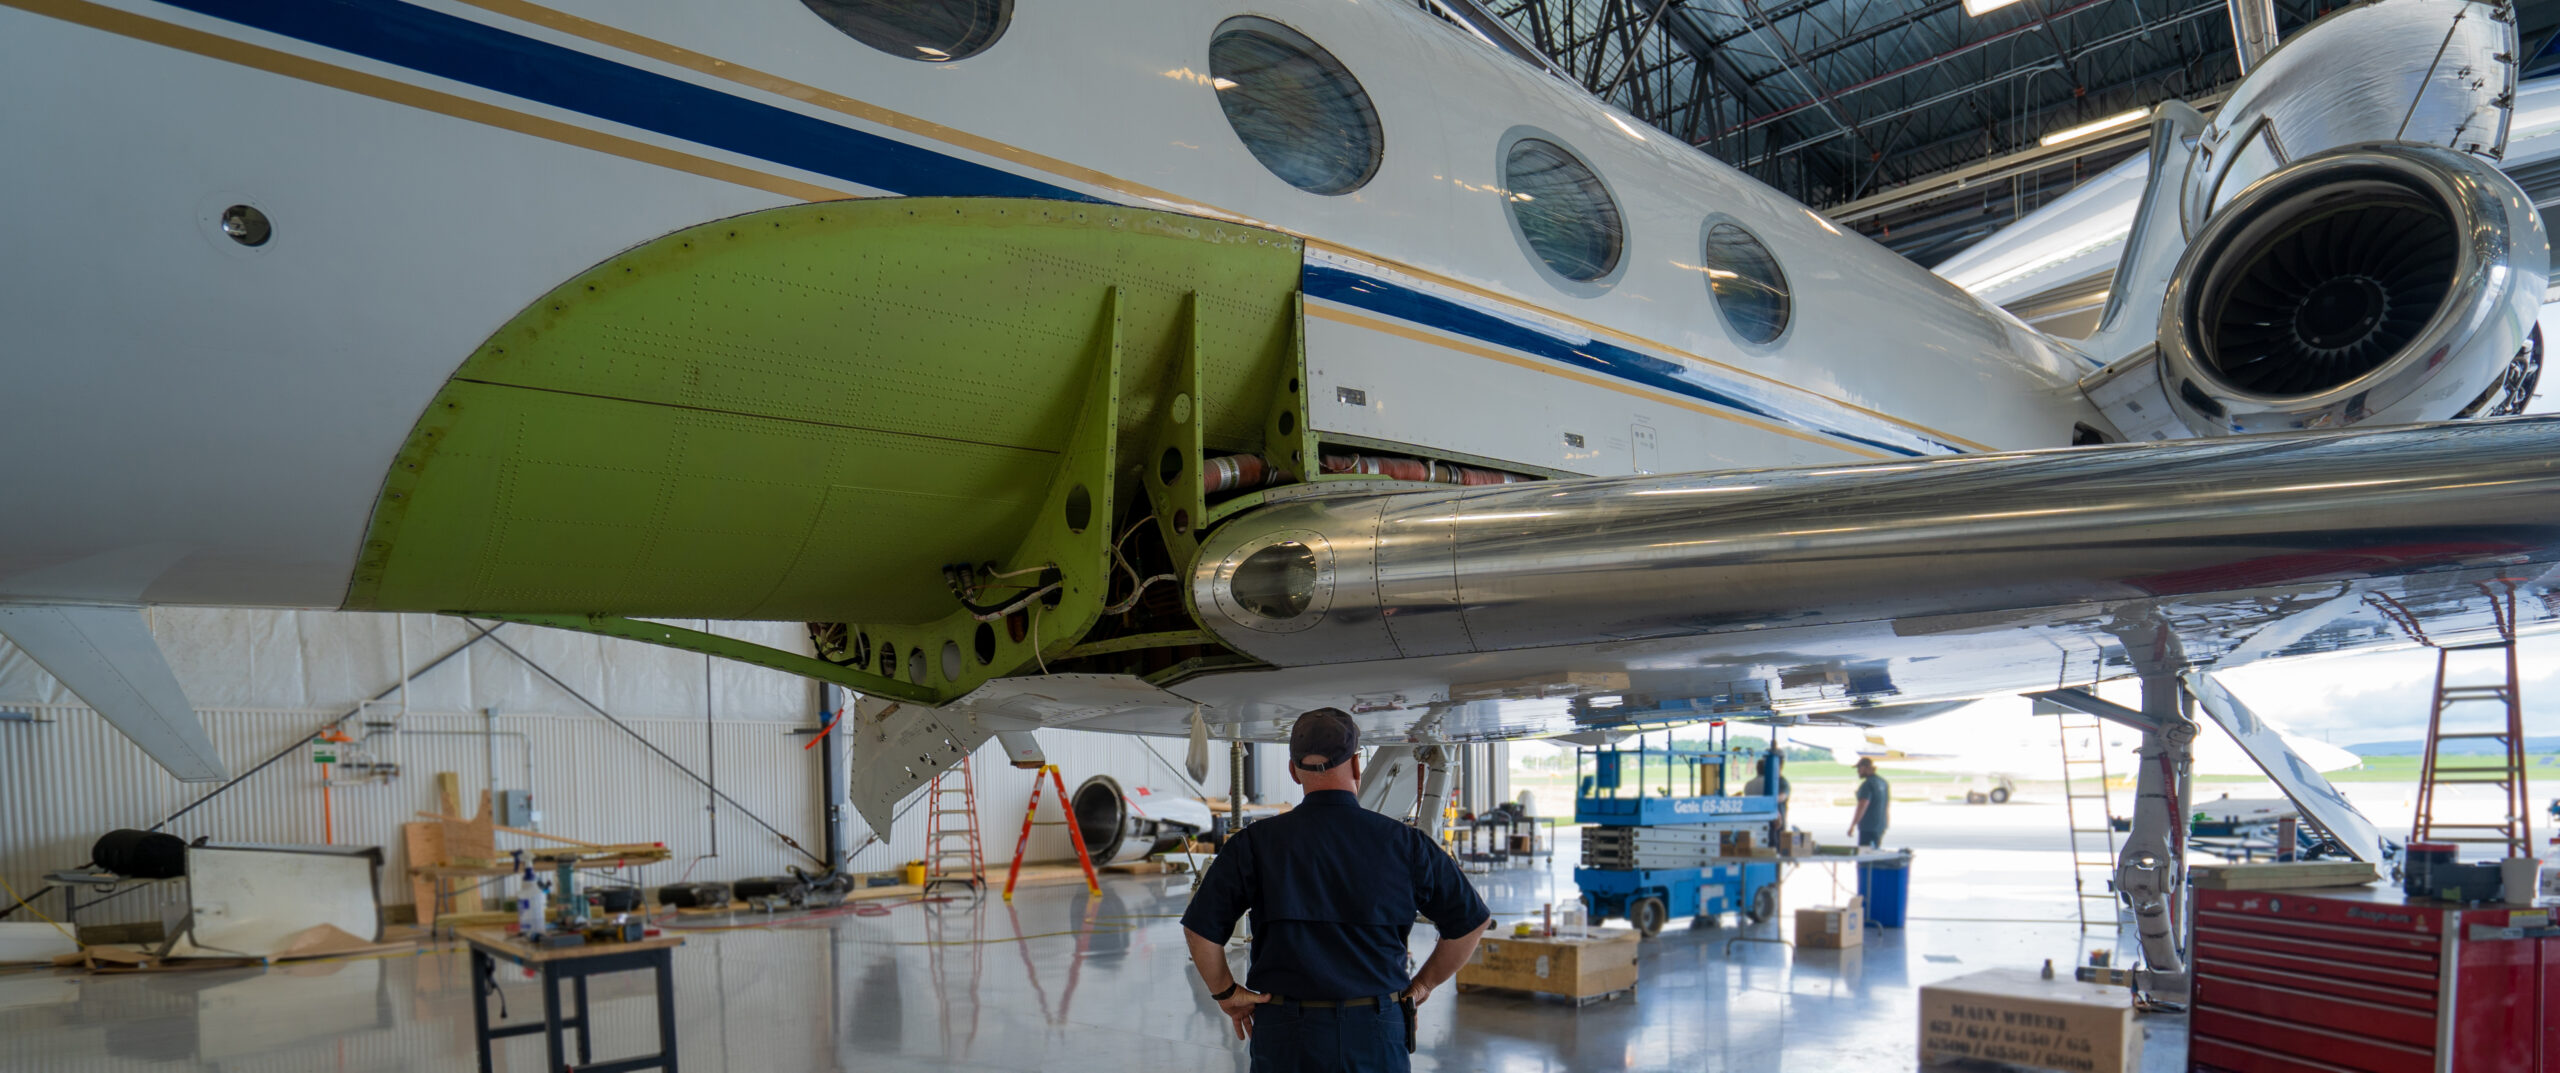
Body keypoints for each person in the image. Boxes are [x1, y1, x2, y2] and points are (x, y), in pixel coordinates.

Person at [1181, 708, 1492, 1072]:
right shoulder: (1407, 844)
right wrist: (1423, 984)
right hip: (1376, 1027)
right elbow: (1471, 922)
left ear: (1293, 771)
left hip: (1286, 1032)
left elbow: (1200, 929)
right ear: (1356, 766)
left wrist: (1227, 993)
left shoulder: (1255, 844)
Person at [1849, 757, 1889, 848]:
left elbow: (1862, 805)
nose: (1858, 771)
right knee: (1874, 853)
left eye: (1859, 768)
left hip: (1868, 827)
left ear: (1865, 767)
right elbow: (1887, 804)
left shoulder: (1867, 785)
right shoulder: (1883, 782)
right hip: (1880, 825)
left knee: (1865, 855)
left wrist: (1852, 825)